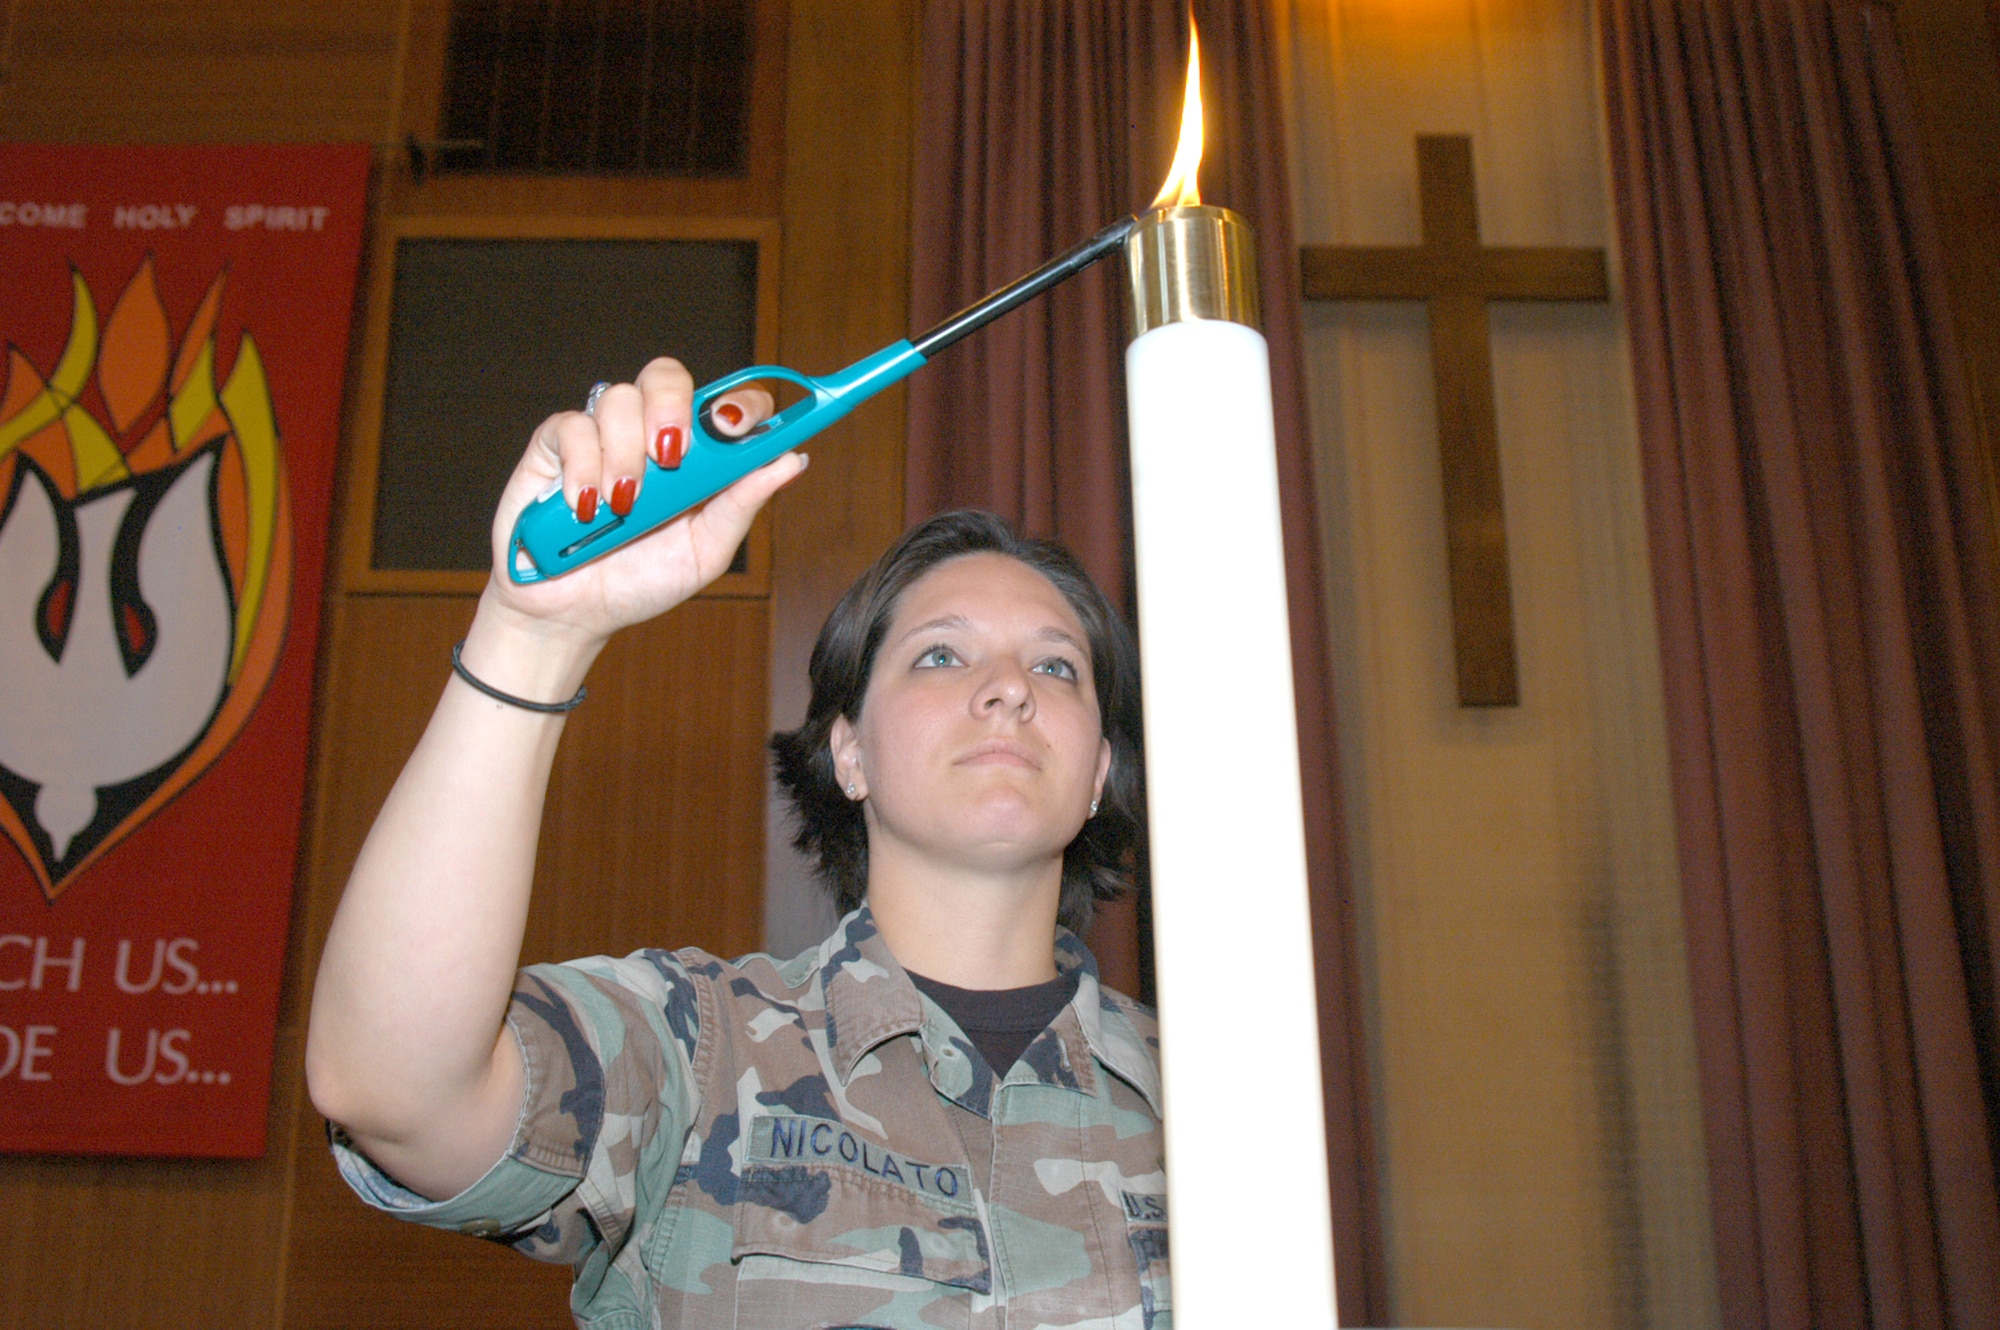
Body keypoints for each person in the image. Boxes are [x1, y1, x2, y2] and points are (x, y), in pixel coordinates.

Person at [305, 357, 1170, 1329]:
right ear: (849, 751)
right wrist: (530, 639)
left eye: (1056, 667)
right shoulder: (700, 1049)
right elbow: (392, 1090)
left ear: (1097, 771)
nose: (1009, 687)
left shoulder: (1212, 1091)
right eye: (940, 653)